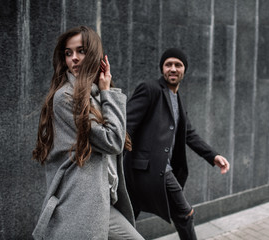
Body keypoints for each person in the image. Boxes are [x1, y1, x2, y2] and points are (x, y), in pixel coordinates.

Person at [32, 26, 144, 240]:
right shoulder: (66, 97)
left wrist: (105, 91)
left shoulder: (95, 96)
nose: (74, 58)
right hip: (79, 203)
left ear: (95, 55)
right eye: (68, 53)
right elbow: (112, 141)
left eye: (81, 51)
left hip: (100, 201)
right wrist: (107, 92)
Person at [124, 48, 230, 240]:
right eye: (168, 64)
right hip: (149, 170)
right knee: (185, 213)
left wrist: (213, 156)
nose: (173, 69)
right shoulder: (150, 89)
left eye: (178, 65)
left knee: (126, 219)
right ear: (162, 68)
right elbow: (125, 125)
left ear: (184, 70)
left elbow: (189, 134)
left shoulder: (178, 99)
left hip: (156, 172)